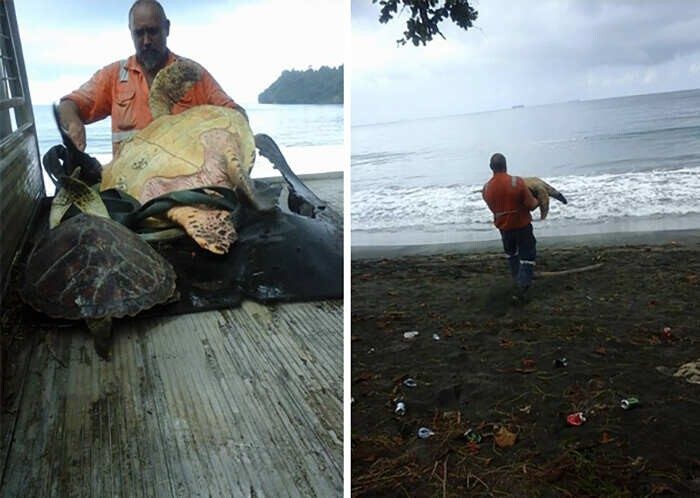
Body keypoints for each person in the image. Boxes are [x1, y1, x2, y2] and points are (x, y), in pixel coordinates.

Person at [57, 0, 245, 157]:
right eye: (139, 33)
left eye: (153, 31)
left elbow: (235, 114)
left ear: (167, 28)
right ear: (130, 32)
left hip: (184, 181)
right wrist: (73, 124)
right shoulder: (114, 76)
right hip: (129, 184)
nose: (146, 41)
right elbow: (68, 105)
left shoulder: (192, 74)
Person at [482, 153, 540, 301]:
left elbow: (494, 209)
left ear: (491, 167)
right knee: (527, 255)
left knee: (512, 255)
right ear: (506, 165)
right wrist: (538, 199)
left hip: (504, 230)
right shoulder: (517, 182)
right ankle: (521, 287)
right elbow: (531, 205)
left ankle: (518, 279)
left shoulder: (486, 189)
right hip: (522, 226)